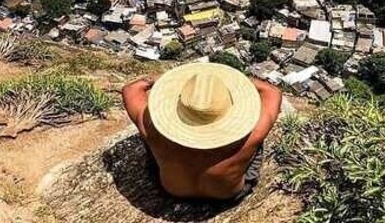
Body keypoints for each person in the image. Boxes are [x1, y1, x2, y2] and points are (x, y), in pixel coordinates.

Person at [121, 62, 282, 202]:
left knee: (150, 136)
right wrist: (239, 80)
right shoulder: (256, 131)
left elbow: (131, 89)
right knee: (256, 141)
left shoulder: (150, 128)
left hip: (172, 190)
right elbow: (273, 92)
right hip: (227, 194)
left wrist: (165, 79)